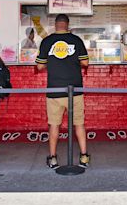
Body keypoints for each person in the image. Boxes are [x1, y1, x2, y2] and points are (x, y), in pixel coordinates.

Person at [36, 14, 90, 169]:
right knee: (79, 124)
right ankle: (84, 157)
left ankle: (53, 159)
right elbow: (85, 62)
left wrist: (52, 62)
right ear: (67, 24)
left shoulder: (47, 41)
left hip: (54, 90)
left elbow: (39, 66)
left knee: (54, 125)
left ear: (55, 25)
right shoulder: (76, 40)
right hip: (75, 91)